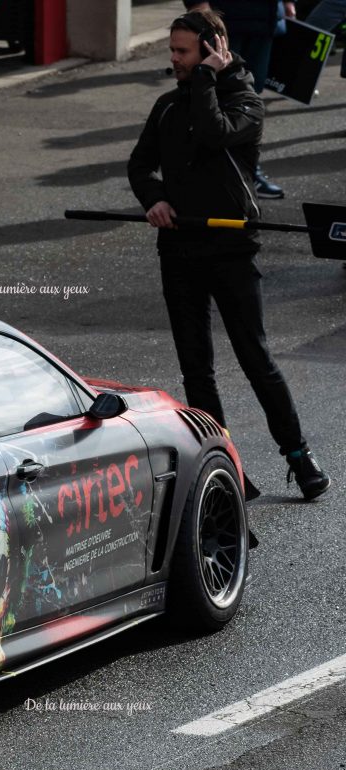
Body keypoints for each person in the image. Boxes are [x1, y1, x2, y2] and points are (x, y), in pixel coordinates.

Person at [127, 10, 331, 500]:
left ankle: (298, 456)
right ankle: (228, 467)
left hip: (232, 249)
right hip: (179, 249)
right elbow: (139, 165)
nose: (174, 60)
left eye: (183, 52)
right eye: (172, 51)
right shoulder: (167, 106)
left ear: (212, 49)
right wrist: (154, 198)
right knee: (197, 368)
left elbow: (215, 132)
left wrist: (206, 78)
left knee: (255, 358)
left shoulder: (246, 102)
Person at [213, 0, 295, 198]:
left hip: (264, 20)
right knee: (219, 97)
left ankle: (247, 174)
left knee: (250, 101)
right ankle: (215, 176)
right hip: (226, 20)